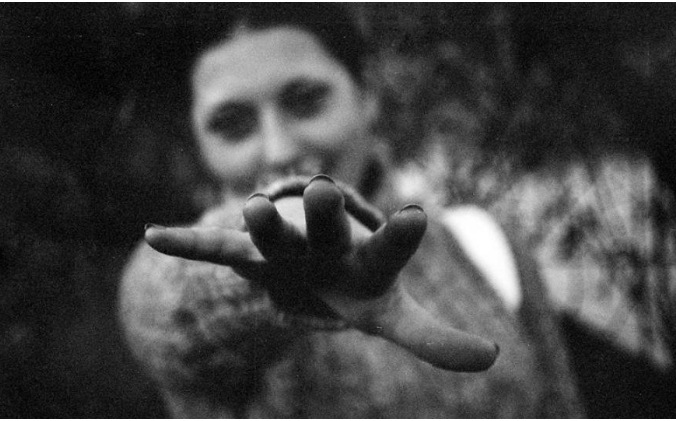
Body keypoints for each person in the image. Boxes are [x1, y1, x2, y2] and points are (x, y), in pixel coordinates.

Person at [119, 4, 583, 417]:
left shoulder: (482, 241)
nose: (278, 150)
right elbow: (163, 306)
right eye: (233, 125)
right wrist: (264, 271)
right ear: (199, 143)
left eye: (306, 102)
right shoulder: (188, 280)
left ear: (368, 95)